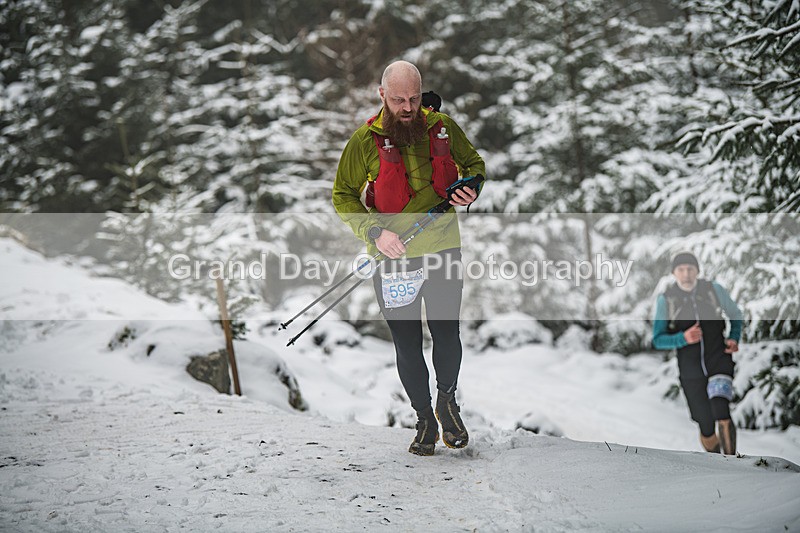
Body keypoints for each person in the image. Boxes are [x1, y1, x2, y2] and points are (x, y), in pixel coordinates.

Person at [332, 61, 486, 456]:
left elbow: (474, 167)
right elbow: (343, 195)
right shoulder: (363, 141)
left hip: (442, 247)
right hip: (393, 256)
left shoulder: (443, 127)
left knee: (446, 330)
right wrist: (374, 233)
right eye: (399, 99)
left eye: (414, 99)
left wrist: (471, 189)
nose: (407, 107)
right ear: (382, 94)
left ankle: (447, 402)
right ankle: (423, 418)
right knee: (407, 342)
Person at [652, 251, 743, 455]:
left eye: (690, 269)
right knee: (706, 424)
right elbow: (658, 339)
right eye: (681, 270)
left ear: (697, 271)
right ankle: (717, 461)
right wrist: (683, 338)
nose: (686, 274)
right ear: (674, 273)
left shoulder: (713, 290)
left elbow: (735, 314)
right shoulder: (667, 300)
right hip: (690, 371)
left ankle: (734, 466)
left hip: (719, 360)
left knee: (721, 410)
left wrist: (734, 337)